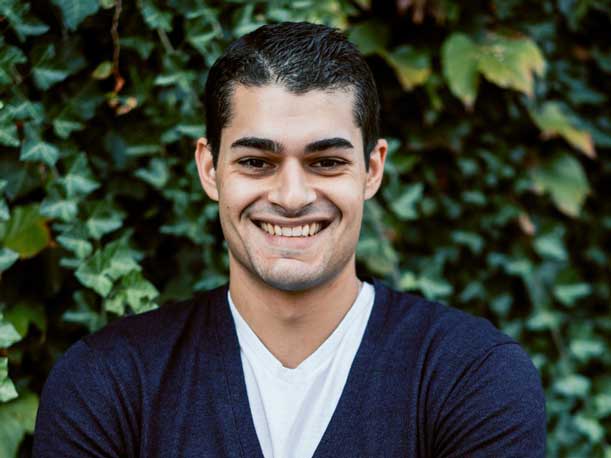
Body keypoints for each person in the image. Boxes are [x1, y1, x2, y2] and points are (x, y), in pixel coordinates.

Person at [32, 22, 546, 457]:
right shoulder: (108, 385)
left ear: (372, 169)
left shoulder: (471, 377)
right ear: (210, 169)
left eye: (327, 162)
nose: (293, 196)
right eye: (257, 162)